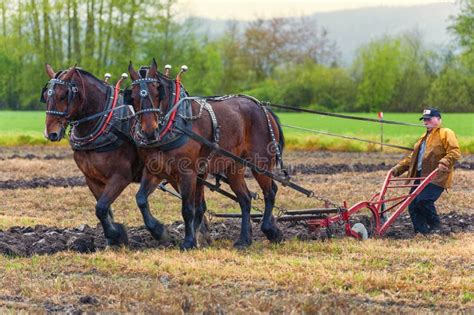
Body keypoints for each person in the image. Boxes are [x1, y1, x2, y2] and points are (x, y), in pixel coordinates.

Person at [391, 108, 461, 234]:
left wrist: (444, 162)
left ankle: (437, 226)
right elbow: (413, 158)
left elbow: (455, 152)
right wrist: (398, 168)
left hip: (437, 176)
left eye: (429, 119)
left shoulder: (445, 133)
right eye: (424, 119)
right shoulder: (423, 138)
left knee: (423, 200)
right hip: (420, 176)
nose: (425, 121)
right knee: (412, 205)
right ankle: (422, 233)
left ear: (438, 119)